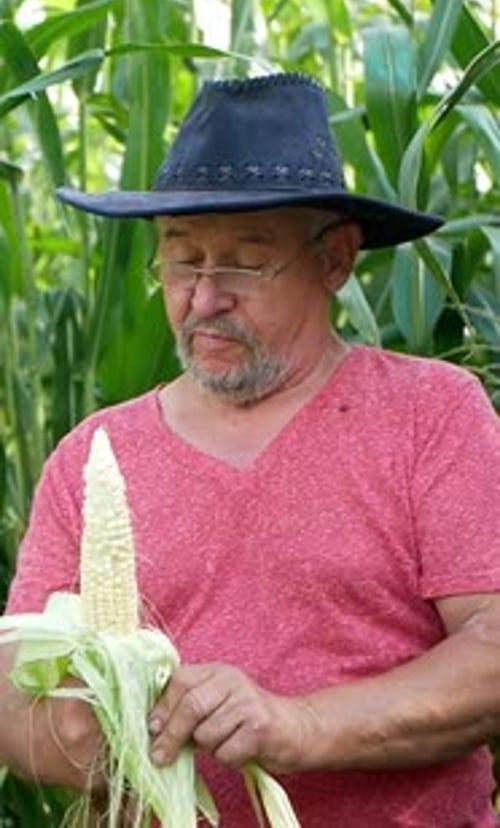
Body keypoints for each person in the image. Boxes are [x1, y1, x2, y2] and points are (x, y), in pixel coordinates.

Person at [1, 73, 500, 827]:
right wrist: (90, 740)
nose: (203, 298)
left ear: (335, 259)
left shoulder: (431, 415)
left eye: (242, 261)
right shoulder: (92, 455)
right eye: (181, 259)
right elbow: (15, 694)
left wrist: (296, 725)